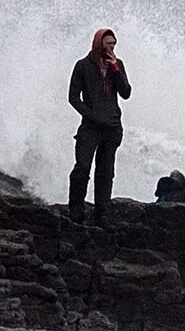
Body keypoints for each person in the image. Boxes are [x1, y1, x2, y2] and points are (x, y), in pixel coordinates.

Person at [67, 27, 132, 222]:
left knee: (105, 172)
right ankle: (76, 211)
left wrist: (115, 70)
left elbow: (126, 93)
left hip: (112, 127)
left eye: (113, 45)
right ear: (98, 44)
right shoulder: (82, 66)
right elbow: (73, 97)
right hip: (91, 127)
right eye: (108, 44)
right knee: (82, 168)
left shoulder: (117, 65)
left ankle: (101, 213)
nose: (111, 48)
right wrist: (90, 115)